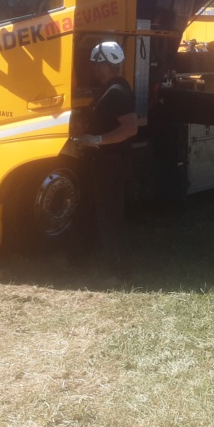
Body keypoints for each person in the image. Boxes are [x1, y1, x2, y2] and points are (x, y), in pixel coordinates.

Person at [71, 40, 138, 263]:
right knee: (102, 214)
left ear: (105, 65)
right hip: (105, 162)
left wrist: (98, 139)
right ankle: (95, 259)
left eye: (96, 65)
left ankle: (121, 271)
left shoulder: (117, 92)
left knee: (111, 217)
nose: (94, 69)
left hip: (112, 163)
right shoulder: (111, 89)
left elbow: (130, 128)